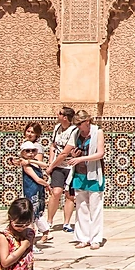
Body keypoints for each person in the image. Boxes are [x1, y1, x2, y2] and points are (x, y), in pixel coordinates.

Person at [66, 111, 105, 250]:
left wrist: (81, 158)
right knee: (81, 207)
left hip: (94, 174)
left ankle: (95, 238)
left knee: (95, 207)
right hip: (79, 174)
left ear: (87, 121)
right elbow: (71, 150)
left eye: (79, 124)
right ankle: (82, 237)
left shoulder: (97, 132)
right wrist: (74, 155)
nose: (78, 127)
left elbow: (100, 153)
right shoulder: (76, 134)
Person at [45, 107, 78, 234]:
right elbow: (53, 146)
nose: (56, 114)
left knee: (69, 194)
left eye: (59, 113)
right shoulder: (57, 128)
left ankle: (67, 223)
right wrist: (51, 161)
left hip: (70, 166)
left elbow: (65, 153)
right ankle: (49, 221)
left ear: (65, 117)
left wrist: (51, 167)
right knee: (56, 192)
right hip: (58, 166)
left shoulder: (73, 131)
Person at [18, 139, 52, 248]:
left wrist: (32, 161)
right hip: (32, 192)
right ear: (22, 152)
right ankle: (32, 242)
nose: (30, 153)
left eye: (33, 151)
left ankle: (45, 232)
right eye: (27, 151)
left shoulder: (32, 163)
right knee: (31, 217)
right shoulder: (26, 166)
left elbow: (45, 165)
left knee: (39, 213)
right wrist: (47, 185)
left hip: (38, 192)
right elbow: (37, 179)